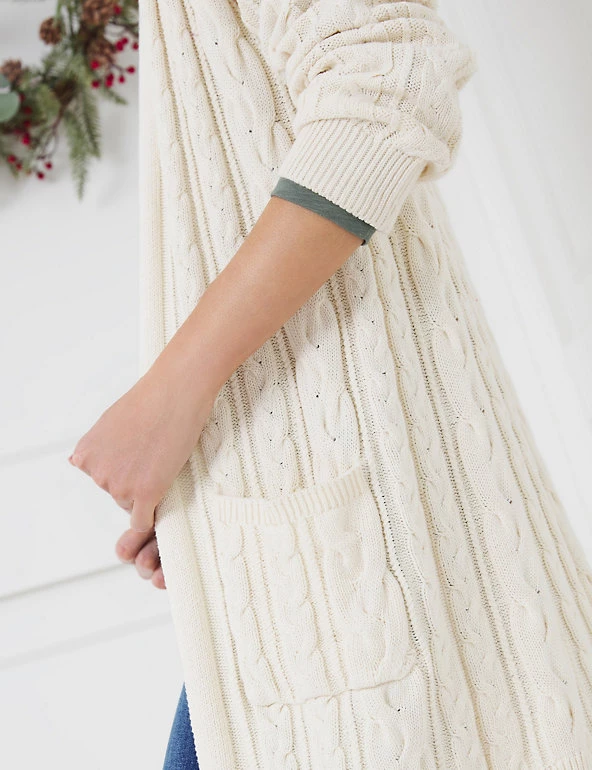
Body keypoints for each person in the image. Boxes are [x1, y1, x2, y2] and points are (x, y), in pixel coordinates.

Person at [68, 0, 592, 767]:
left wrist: (172, 393)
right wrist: (211, 472)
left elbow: (389, 73)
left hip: (379, 533)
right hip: (303, 535)